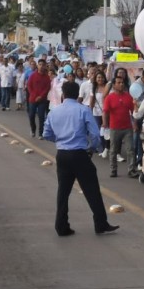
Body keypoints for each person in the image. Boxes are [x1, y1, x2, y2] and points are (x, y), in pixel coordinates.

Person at [42, 81, 119, 237]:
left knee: (63, 191)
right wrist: (92, 148)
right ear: (77, 94)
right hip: (79, 153)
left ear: (63, 94)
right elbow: (95, 135)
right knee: (92, 190)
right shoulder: (83, 110)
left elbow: (46, 134)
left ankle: (61, 226)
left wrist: (60, 140)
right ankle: (100, 223)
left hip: (62, 154)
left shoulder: (54, 112)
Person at [102, 74, 137, 178]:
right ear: (113, 85)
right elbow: (105, 112)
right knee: (113, 150)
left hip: (127, 128)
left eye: (122, 83)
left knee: (130, 149)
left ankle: (131, 170)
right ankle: (113, 170)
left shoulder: (128, 97)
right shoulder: (109, 98)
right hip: (114, 128)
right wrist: (104, 123)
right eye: (119, 83)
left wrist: (134, 123)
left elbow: (133, 111)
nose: (121, 84)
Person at [27, 59, 51, 139]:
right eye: (39, 64)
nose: (41, 66)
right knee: (31, 115)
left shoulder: (47, 77)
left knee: (41, 116)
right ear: (37, 65)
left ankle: (41, 133)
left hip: (42, 100)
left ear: (45, 66)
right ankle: (33, 129)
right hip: (33, 99)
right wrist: (34, 95)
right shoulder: (33, 75)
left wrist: (41, 96)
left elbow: (47, 88)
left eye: (42, 65)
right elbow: (29, 86)